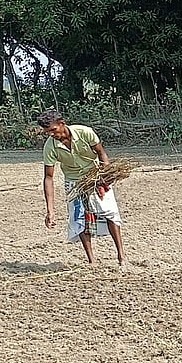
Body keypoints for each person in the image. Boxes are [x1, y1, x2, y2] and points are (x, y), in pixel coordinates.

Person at [38, 110, 126, 266]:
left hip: (96, 176)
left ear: (62, 124)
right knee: (80, 219)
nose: (51, 134)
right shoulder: (50, 147)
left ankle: (121, 256)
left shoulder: (85, 132)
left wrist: (106, 176)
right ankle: (92, 260)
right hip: (74, 182)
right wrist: (50, 210)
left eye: (53, 130)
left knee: (110, 213)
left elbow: (101, 154)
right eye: (47, 132)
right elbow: (49, 178)